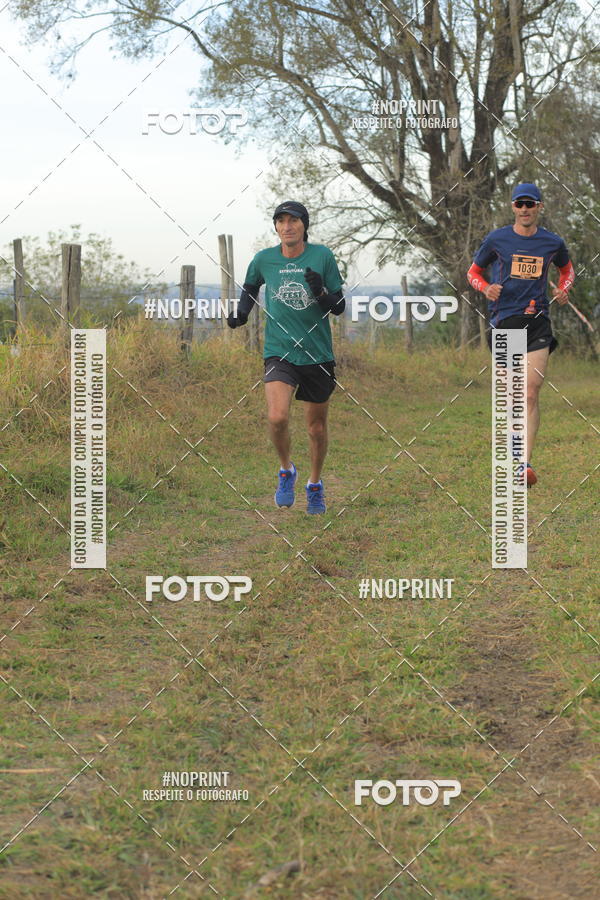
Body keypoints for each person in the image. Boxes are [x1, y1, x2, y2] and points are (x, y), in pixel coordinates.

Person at [227, 200, 345, 513]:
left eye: (293, 221)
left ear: (304, 225)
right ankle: (286, 470)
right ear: (276, 227)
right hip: (280, 351)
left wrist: (320, 292)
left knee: (315, 429)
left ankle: (315, 484)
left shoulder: (322, 256)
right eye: (281, 221)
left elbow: (339, 306)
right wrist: (241, 314)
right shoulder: (264, 259)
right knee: (277, 416)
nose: (287, 226)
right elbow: (250, 289)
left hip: (317, 354)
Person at [467, 183, 574, 486]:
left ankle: (523, 464)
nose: (525, 209)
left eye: (530, 204)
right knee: (510, 396)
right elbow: (472, 272)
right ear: (512, 207)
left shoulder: (552, 242)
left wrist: (564, 289)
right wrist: (485, 288)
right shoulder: (497, 239)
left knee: (530, 391)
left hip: (537, 322)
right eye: (519, 204)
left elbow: (567, 272)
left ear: (540, 206)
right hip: (505, 322)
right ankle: (510, 457)